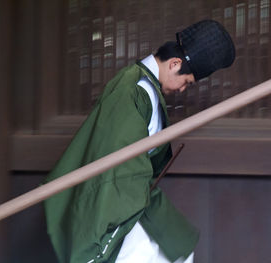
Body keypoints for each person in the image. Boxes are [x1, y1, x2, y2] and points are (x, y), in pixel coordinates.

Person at [44, 19, 235, 263]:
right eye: (187, 82)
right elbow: (118, 160)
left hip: (135, 194)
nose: (183, 90)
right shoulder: (134, 90)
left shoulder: (142, 86)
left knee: (180, 249)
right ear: (175, 64)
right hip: (115, 199)